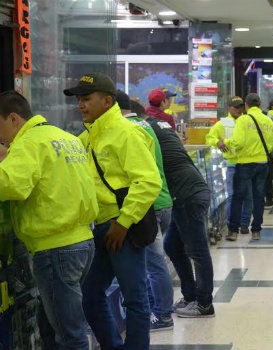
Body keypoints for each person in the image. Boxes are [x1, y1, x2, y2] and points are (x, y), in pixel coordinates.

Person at [65, 73, 162, 350]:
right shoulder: (88, 136)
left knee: (135, 299)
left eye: (86, 99)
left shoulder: (126, 133)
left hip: (122, 228)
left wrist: (124, 221)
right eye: (79, 100)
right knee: (91, 296)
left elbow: (148, 181)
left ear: (107, 101)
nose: (81, 105)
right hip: (101, 228)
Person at [0, 91, 97, 350]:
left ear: (13, 118)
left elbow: (11, 184)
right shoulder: (64, 138)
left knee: (69, 333)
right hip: (83, 241)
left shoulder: (29, 142)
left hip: (56, 250)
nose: (1, 135)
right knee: (51, 327)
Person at [142, 100, 216, 318]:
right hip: (192, 190)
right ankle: (190, 295)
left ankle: (204, 304)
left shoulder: (143, 131)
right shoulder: (161, 125)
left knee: (197, 251)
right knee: (172, 245)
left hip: (186, 196)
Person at [117, 91, 174, 332]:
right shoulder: (145, 125)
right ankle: (156, 310)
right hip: (162, 200)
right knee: (153, 262)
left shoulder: (128, 130)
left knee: (153, 263)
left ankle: (162, 314)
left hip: (149, 205)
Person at [221, 93, 273, 241]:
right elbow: (272, 143)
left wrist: (226, 141)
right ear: (259, 105)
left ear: (246, 105)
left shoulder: (243, 120)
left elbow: (238, 142)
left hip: (245, 164)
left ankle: (233, 231)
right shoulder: (268, 120)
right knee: (259, 198)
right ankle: (256, 230)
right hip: (263, 164)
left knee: (238, 197)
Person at [206, 97, 254, 241]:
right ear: (229, 108)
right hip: (232, 164)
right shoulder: (222, 124)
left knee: (248, 195)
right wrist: (217, 142)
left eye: (240, 107)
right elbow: (209, 138)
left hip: (248, 163)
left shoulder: (247, 121)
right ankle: (231, 225)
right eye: (235, 107)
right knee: (232, 196)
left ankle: (245, 224)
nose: (238, 110)